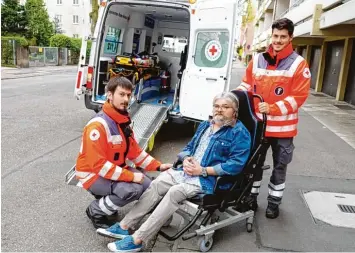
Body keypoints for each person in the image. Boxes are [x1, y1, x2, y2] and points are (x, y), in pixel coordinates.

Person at [96, 92, 251, 252]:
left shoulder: (240, 133)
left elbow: (235, 165)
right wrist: (185, 159)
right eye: (217, 106)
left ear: (235, 111)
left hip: (207, 180)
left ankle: (138, 239)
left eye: (225, 107)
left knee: (174, 192)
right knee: (158, 183)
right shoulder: (206, 125)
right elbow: (188, 148)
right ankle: (125, 225)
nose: (219, 110)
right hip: (186, 171)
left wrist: (202, 170)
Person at [235, 18, 311, 219]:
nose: (277, 40)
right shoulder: (258, 59)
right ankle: (250, 198)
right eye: (275, 36)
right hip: (259, 126)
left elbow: (298, 97)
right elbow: (247, 86)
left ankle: (273, 203)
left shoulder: (299, 64)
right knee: (254, 165)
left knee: (279, 167)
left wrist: (272, 108)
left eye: (282, 37)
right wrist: (232, 97)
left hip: (283, 131)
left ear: (290, 37)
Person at [75, 76, 172, 229]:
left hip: (115, 169)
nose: (126, 99)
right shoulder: (98, 126)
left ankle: (155, 215)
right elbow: (100, 166)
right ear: (109, 95)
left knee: (150, 186)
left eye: (128, 95)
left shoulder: (122, 121)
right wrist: (132, 176)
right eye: (121, 94)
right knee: (132, 189)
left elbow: (135, 153)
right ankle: (96, 210)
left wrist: (159, 167)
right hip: (92, 174)